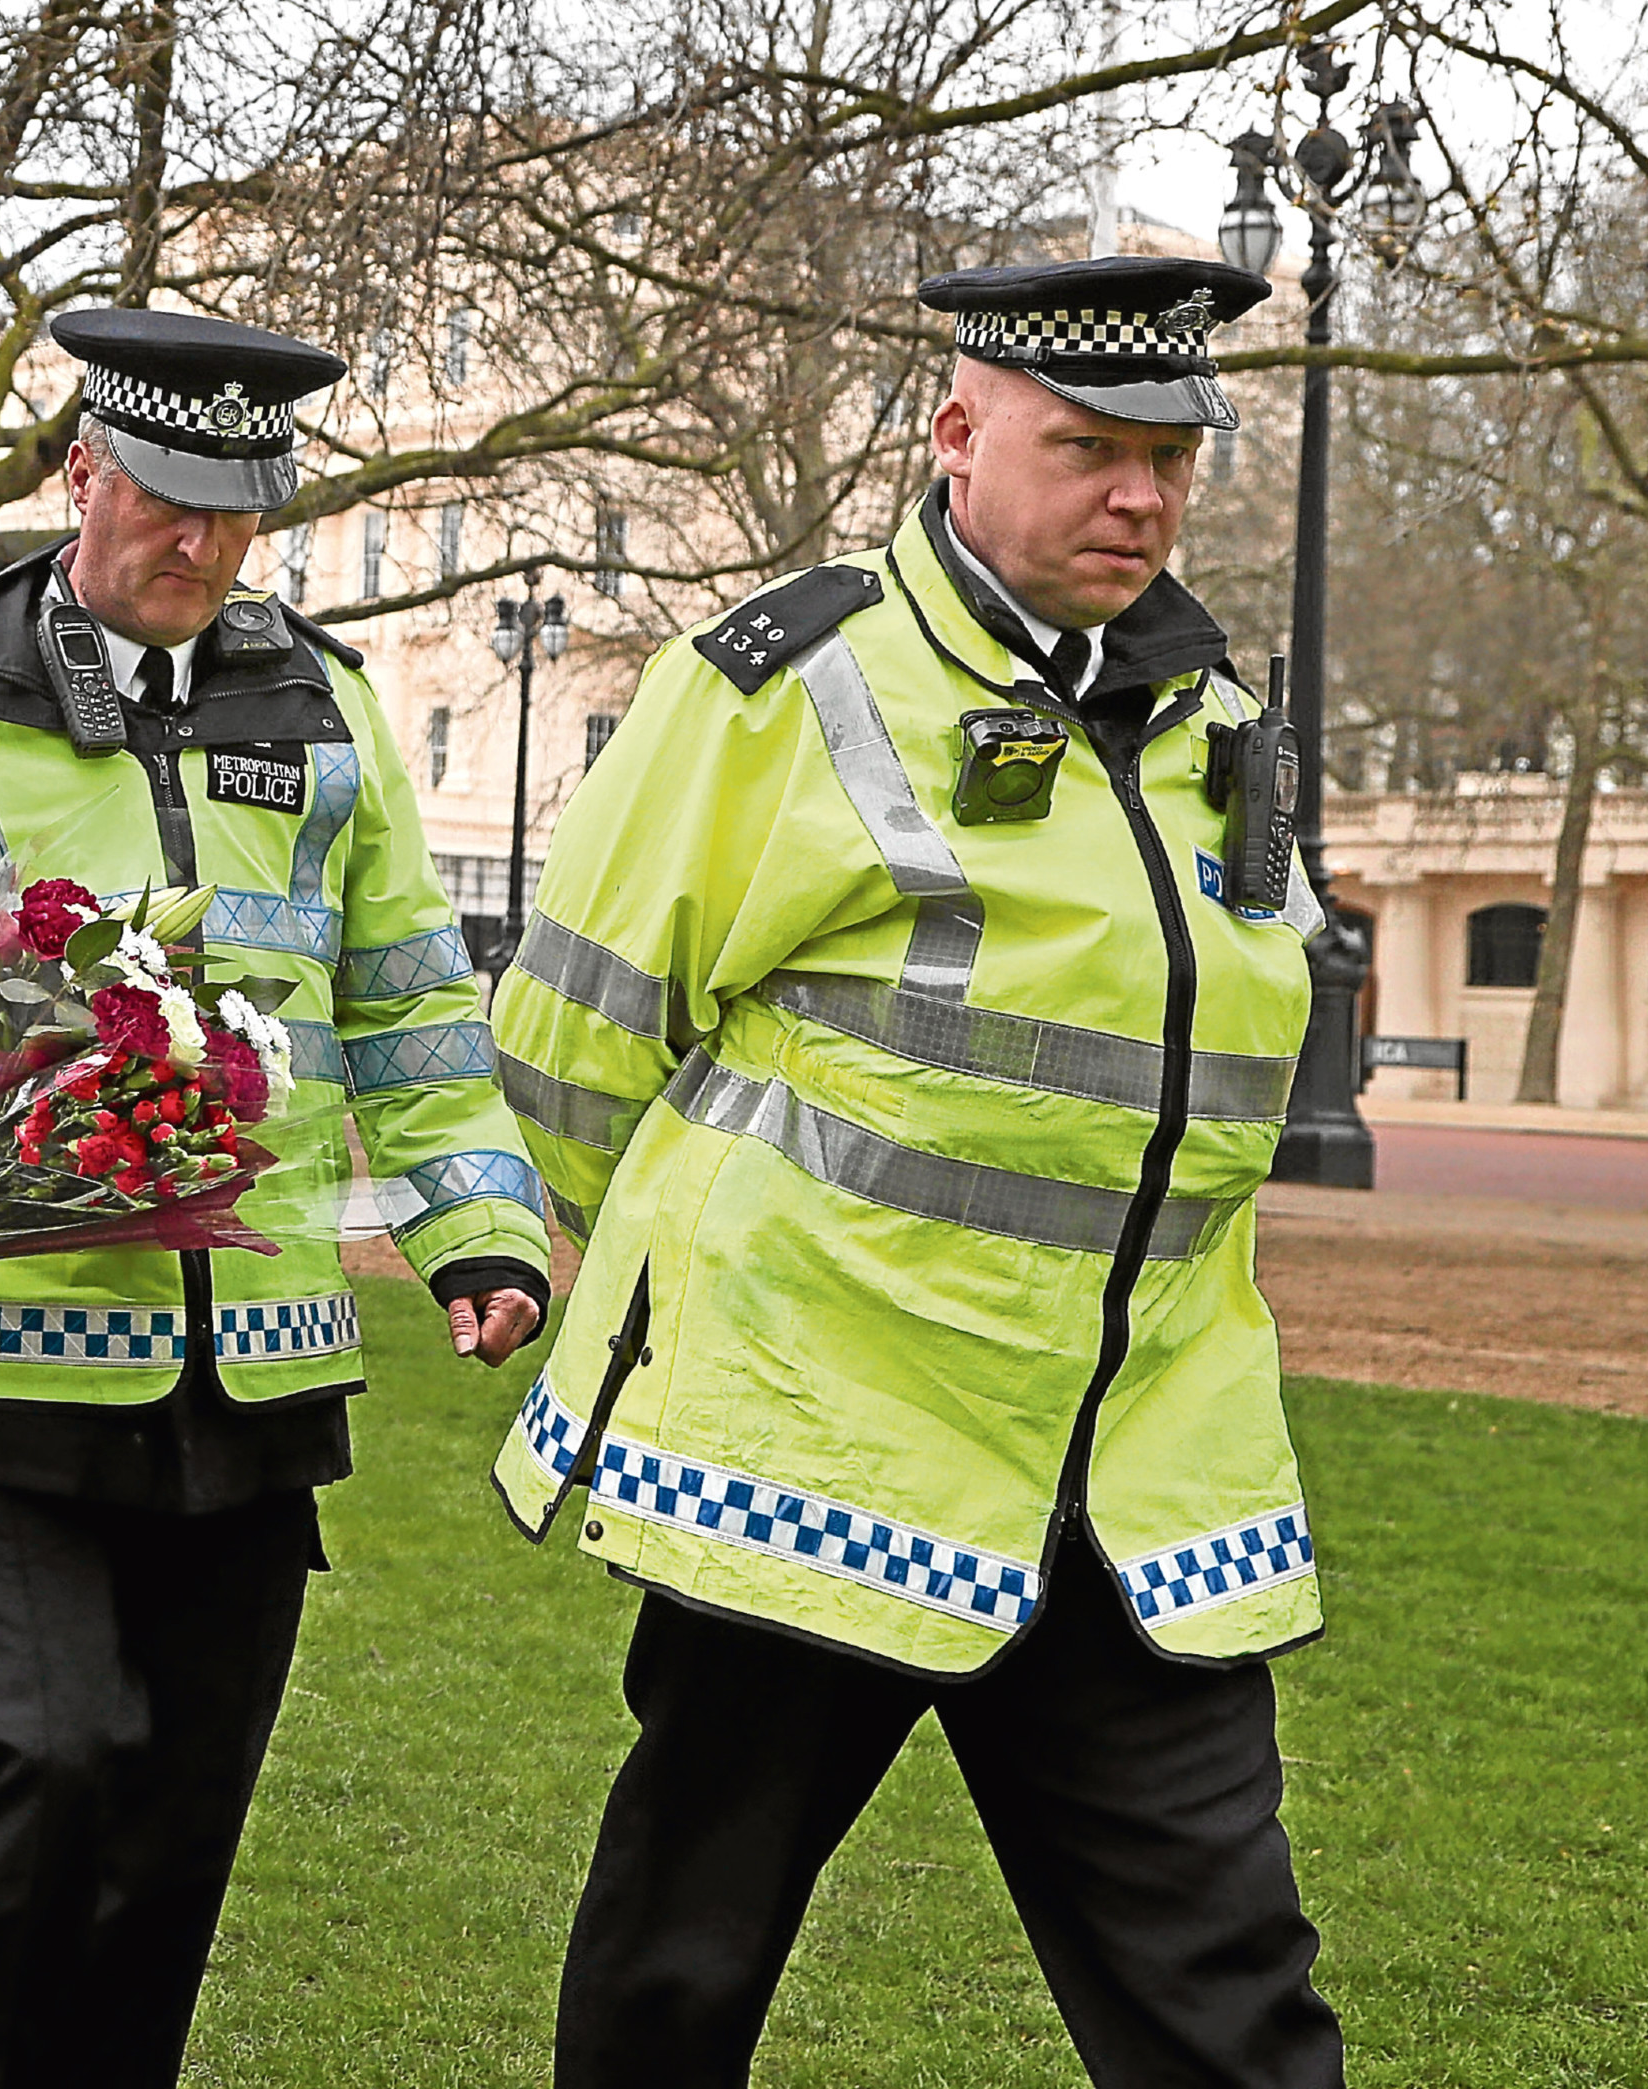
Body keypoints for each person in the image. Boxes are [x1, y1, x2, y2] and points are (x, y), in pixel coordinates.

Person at [0, 308, 550, 2088]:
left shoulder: (327, 706)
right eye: (164, 501)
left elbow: (413, 1007)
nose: (200, 546)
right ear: (82, 477)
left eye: (237, 512)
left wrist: (478, 1223)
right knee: (33, 1767)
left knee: (171, 1825)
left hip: (258, 1381)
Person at [489, 256, 1343, 2087]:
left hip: (1134, 1469)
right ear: (955, 435)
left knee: (1238, 1999)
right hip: (813, 1434)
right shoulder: (779, 682)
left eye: (1170, 457)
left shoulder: (1224, 737)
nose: (1142, 494)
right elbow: (569, 1050)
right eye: (1090, 446)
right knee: (680, 1969)